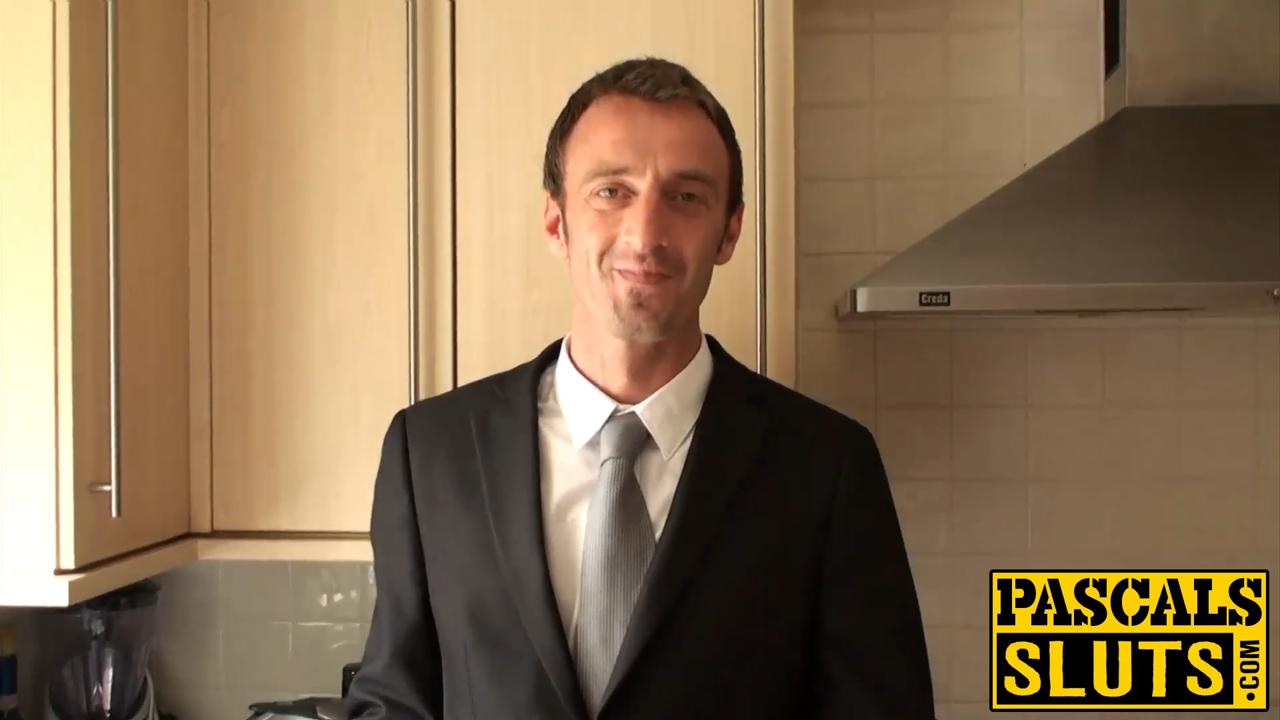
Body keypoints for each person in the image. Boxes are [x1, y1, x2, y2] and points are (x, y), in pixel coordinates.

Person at [346, 57, 935, 720]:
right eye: (611, 191)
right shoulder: (431, 452)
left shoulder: (828, 467)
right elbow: (394, 700)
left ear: (729, 231)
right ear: (556, 222)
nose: (646, 234)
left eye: (685, 197)